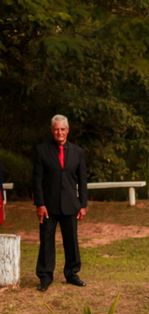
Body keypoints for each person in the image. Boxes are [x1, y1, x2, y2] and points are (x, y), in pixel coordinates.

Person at [32, 114, 88, 292]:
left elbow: (83, 181)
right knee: (46, 241)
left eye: (62, 129)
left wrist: (83, 204)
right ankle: (45, 277)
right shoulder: (41, 150)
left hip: (71, 205)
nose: (59, 132)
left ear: (68, 130)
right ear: (52, 130)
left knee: (71, 241)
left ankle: (72, 274)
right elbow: (37, 180)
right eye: (56, 129)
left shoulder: (78, 152)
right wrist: (40, 204)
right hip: (48, 206)